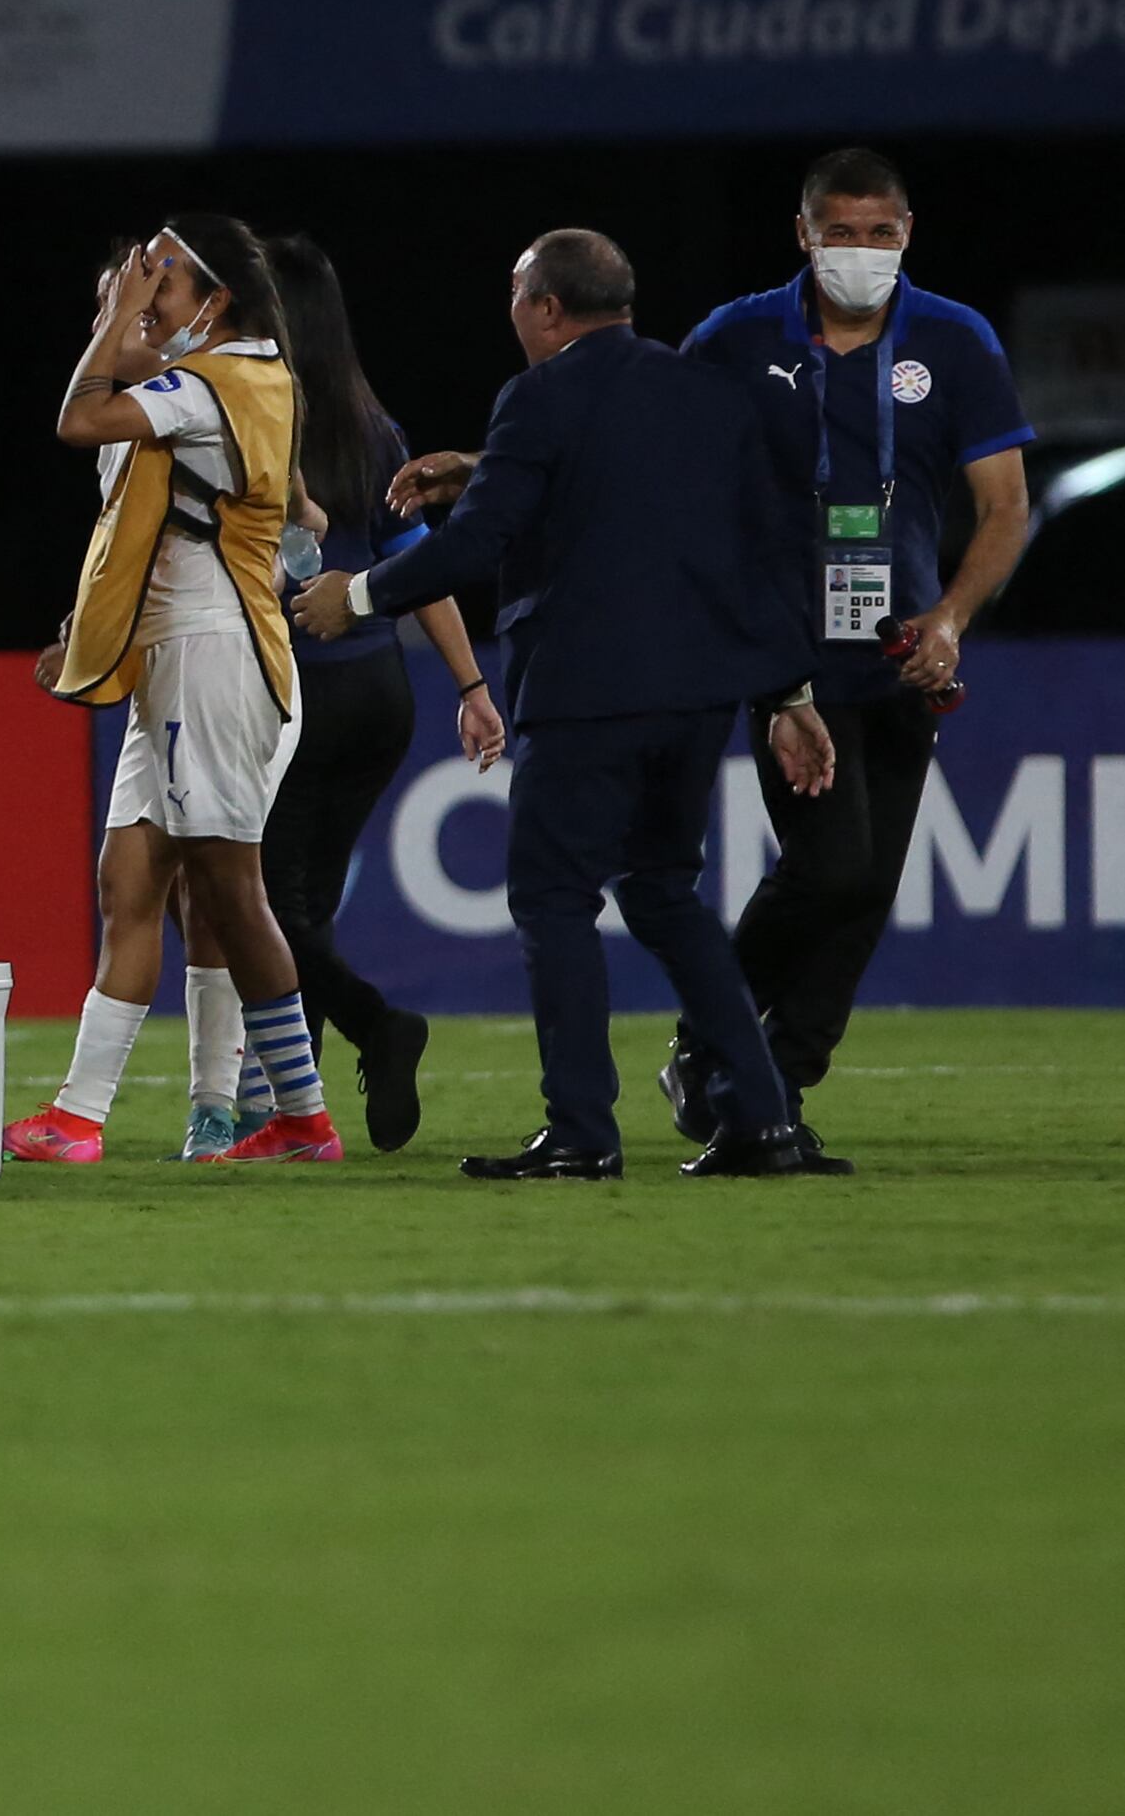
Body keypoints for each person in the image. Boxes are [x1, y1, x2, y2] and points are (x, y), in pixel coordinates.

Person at [292, 229, 848, 1180]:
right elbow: (754, 544)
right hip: (696, 694)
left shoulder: (539, 396)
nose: (512, 310)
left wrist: (359, 595)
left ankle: (582, 1131)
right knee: (663, 892)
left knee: (552, 898)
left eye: (517, 294)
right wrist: (786, 690)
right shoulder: (705, 392)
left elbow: (476, 544)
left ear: (547, 308)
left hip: (585, 691)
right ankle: (760, 1123)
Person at [661, 149, 1031, 1154]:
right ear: (803, 234)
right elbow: (653, 453)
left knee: (866, 889)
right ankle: (710, 1037)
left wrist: (950, 618)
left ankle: (776, 1084)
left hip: (905, 654)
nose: (860, 251)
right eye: (840, 232)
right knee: (829, 871)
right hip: (786, 659)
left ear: (907, 234)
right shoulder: (735, 337)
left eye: (879, 233)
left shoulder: (954, 340)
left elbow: (1005, 508)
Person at [7, 219, 341, 1166]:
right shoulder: (216, 384)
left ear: (214, 299)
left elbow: (76, 419)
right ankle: (77, 1117)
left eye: (159, 285)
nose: (141, 303)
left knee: (227, 892)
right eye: (134, 288)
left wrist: (114, 319)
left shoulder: (207, 384)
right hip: (170, 657)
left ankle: (296, 1116)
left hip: (214, 654)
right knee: (127, 883)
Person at [253, 234, 504, 1155]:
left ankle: (373, 1028)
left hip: (292, 694)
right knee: (305, 909)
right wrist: (471, 684)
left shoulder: (250, 414)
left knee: (258, 908)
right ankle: (299, 1108)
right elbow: (419, 569)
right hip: (377, 696)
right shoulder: (374, 428)